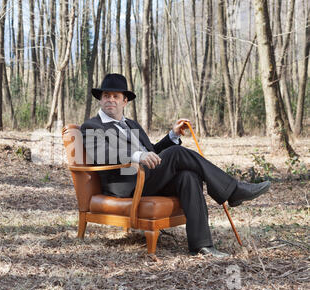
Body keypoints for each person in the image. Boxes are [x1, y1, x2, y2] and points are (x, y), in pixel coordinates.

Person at [80, 73, 270, 257]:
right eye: (106, 96)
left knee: (188, 176)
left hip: (148, 176)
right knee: (176, 154)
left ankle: (201, 245)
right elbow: (102, 154)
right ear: (100, 99)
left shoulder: (132, 125)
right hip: (126, 182)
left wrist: (173, 136)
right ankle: (233, 190)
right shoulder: (92, 126)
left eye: (115, 96)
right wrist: (137, 155)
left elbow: (152, 150)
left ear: (125, 101)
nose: (110, 100)